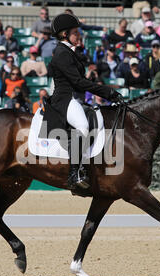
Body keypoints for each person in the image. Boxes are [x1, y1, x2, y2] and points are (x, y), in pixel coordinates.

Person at [44, 13, 124, 190]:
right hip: (64, 98)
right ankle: (75, 173)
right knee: (82, 127)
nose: (78, 35)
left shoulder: (69, 51)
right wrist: (108, 92)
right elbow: (78, 82)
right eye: (74, 32)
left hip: (74, 98)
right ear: (65, 34)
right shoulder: (62, 53)